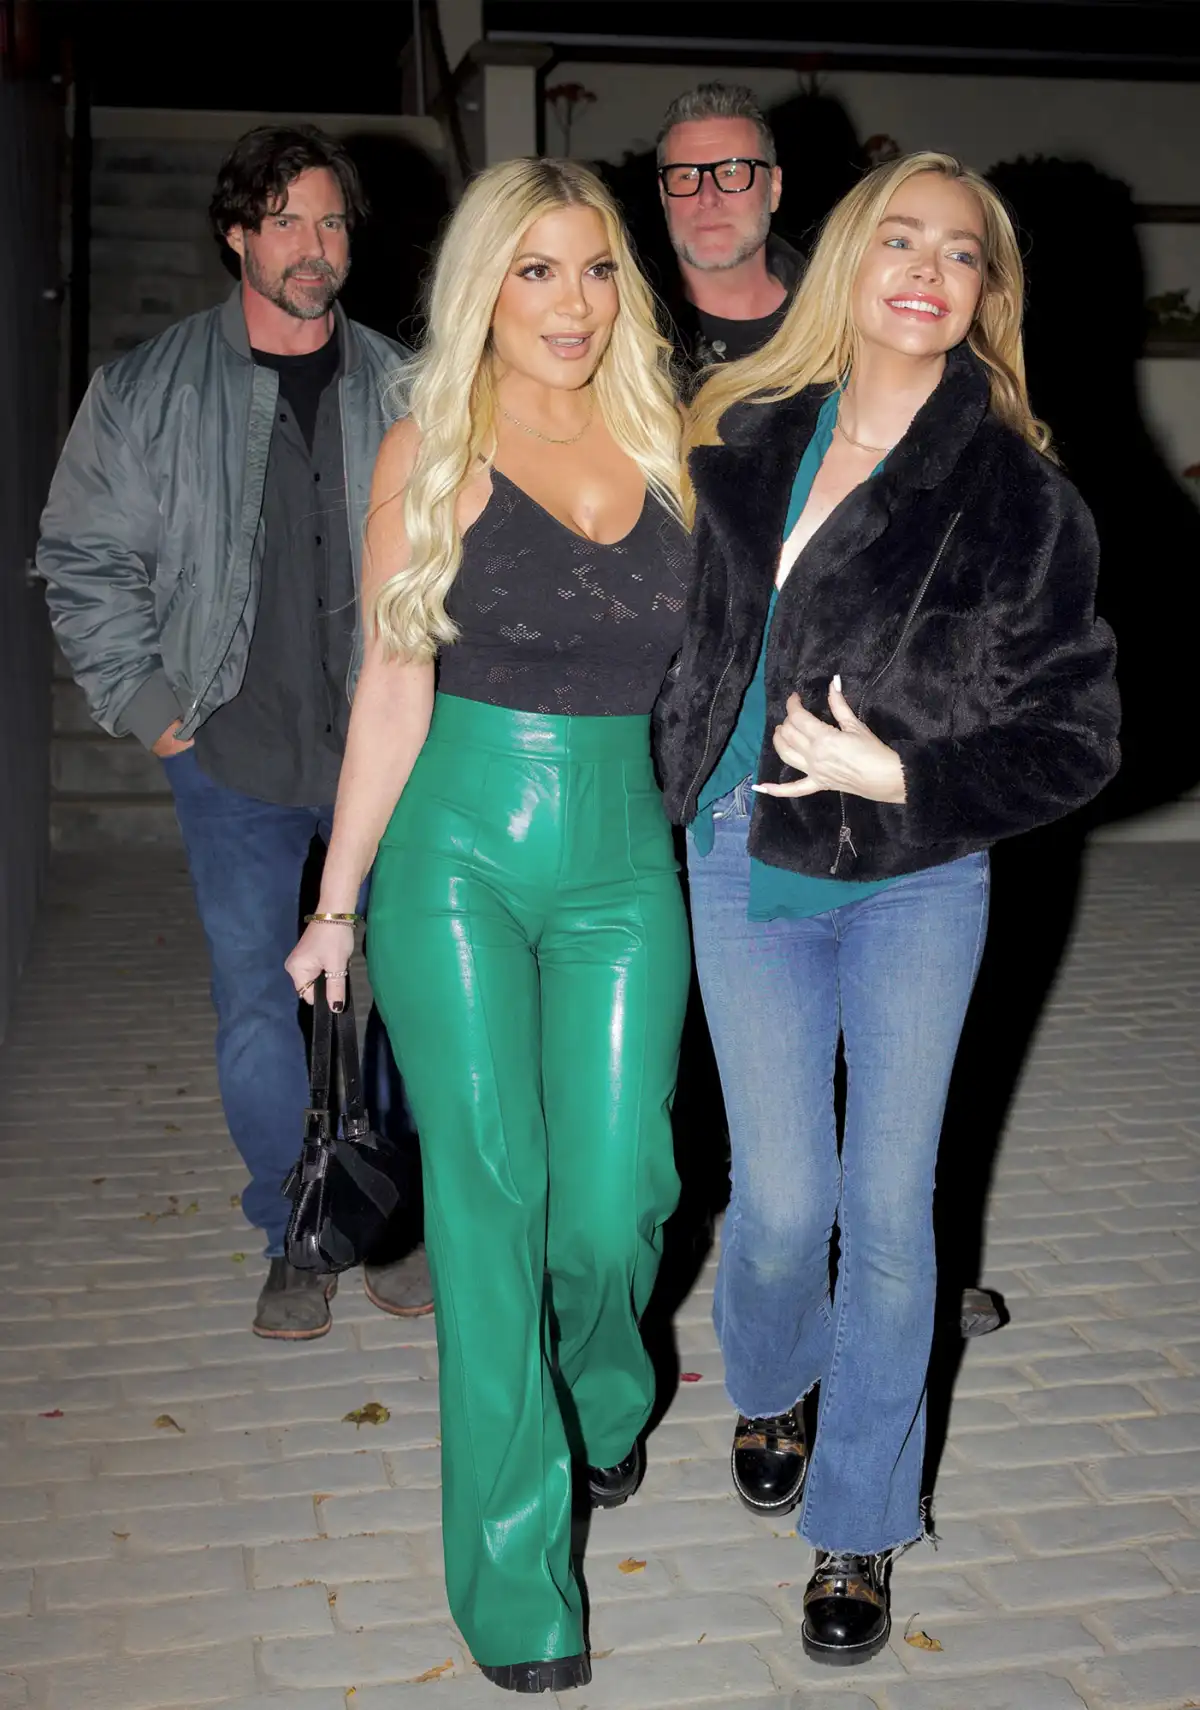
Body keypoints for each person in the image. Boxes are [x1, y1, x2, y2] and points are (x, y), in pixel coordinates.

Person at [657, 151, 1119, 1666]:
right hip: (743, 857)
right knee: (780, 1204)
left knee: (891, 1209)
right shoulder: (737, 439)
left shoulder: (1020, 495)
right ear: (847, 261)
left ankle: (858, 1517)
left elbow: (1078, 736)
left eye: (962, 253)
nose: (929, 270)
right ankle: (770, 1381)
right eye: (901, 240)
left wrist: (912, 775)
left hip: (920, 878)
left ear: (986, 293)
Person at [285, 158, 691, 1693]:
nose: (572, 303)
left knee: (620, 1194)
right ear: (483, 291)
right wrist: (338, 901)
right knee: (491, 1197)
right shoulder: (431, 449)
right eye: (535, 271)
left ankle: (605, 1387)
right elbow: (393, 688)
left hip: (622, 855)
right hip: (455, 848)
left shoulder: (672, 444)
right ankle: (518, 1582)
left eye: (595, 269)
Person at [37, 124, 433, 1337]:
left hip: (388, 754)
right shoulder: (145, 391)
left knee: (404, 994)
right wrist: (156, 715)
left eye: (332, 222)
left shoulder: (410, 385)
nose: (315, 247)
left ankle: (392, 1220)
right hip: (234, 755)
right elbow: (84, 557)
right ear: (236, 234)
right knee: (262, 1006)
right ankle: (296, 1229)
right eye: (285, 222)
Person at [656, 82, 804, 388]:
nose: (708, 197)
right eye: (686, 176)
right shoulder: (623, 340)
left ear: (774, 188)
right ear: (663, 194)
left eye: (732, 172)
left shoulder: (841, 327)